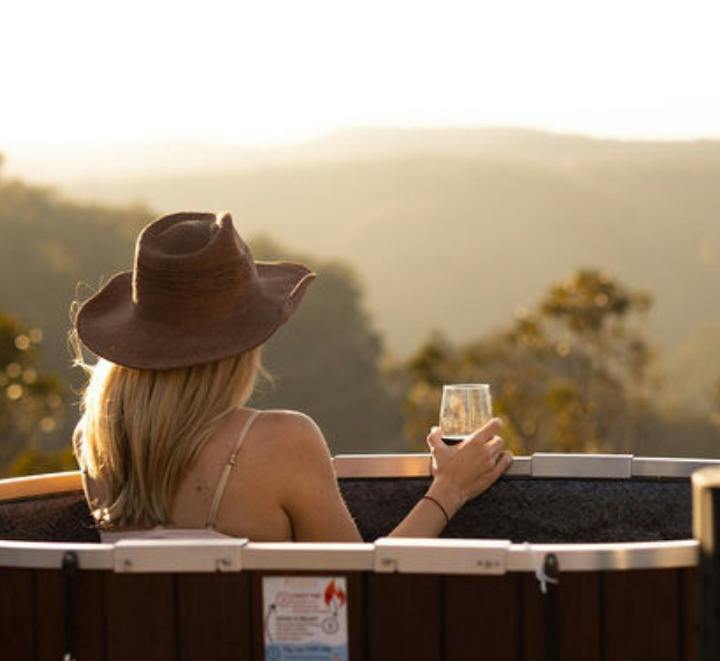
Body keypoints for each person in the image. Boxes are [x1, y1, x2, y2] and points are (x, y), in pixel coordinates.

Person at [70, 210, 510, 541]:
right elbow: (360, 590)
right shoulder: (281, 441)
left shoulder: (98, 442)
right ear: (242, 342)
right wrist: (449, 489)